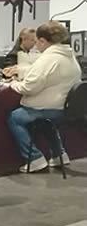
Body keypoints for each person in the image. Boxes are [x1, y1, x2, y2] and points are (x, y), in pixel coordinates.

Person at [7, 22, 81, 173]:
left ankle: (34, 159)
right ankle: (59, 154)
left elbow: (28, 88)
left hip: (50, 108)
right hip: (65, 109)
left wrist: (12, 84)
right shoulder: (69, 56)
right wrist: (21, 70)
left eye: (37, 41)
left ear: (42, 41)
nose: (35, 45)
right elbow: (50, 74)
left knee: (14, 118)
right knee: (43, 121)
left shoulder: (47, 59)